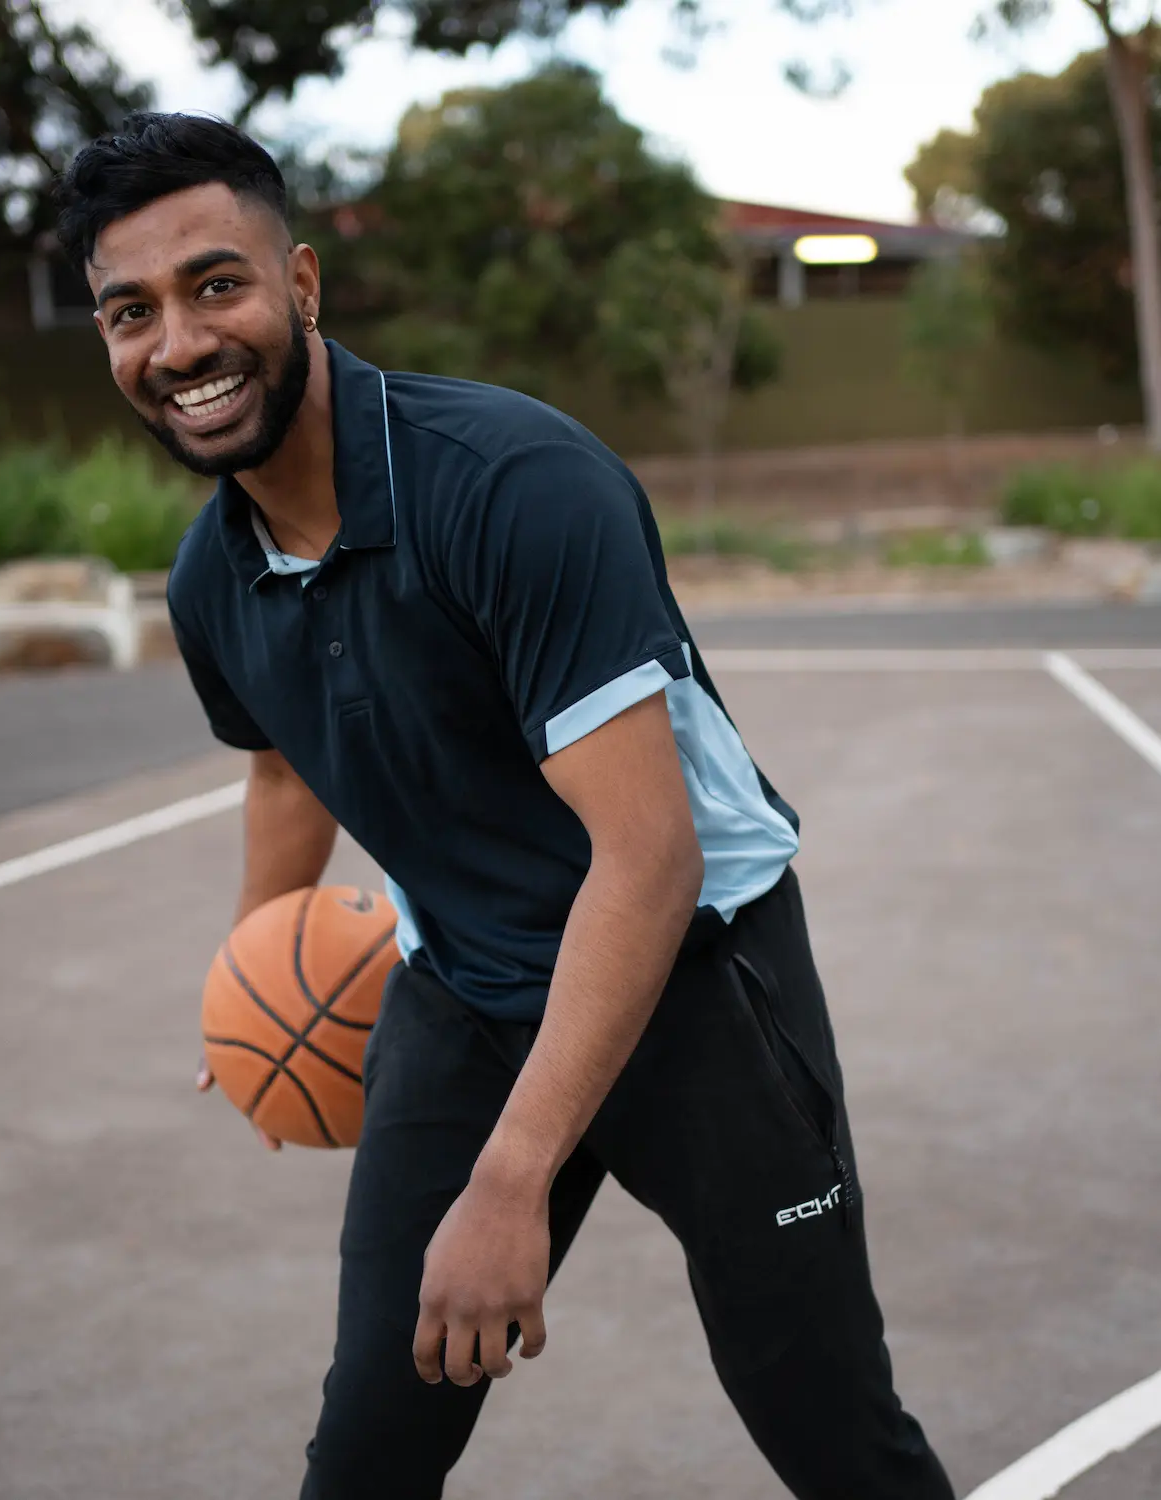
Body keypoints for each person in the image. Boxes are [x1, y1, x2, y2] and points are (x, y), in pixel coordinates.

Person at [55, 112, 955, 1500]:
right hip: (465, 995)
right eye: (131, 311)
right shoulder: (210, 580)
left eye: (213, 284)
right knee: (366, 1452)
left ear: (300, 284)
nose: (176, 344)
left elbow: (647, 858)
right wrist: (258, 964)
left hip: (697, 980)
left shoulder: (511, 486)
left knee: (832, 1432)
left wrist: (512, 1177)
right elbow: (288, 764)